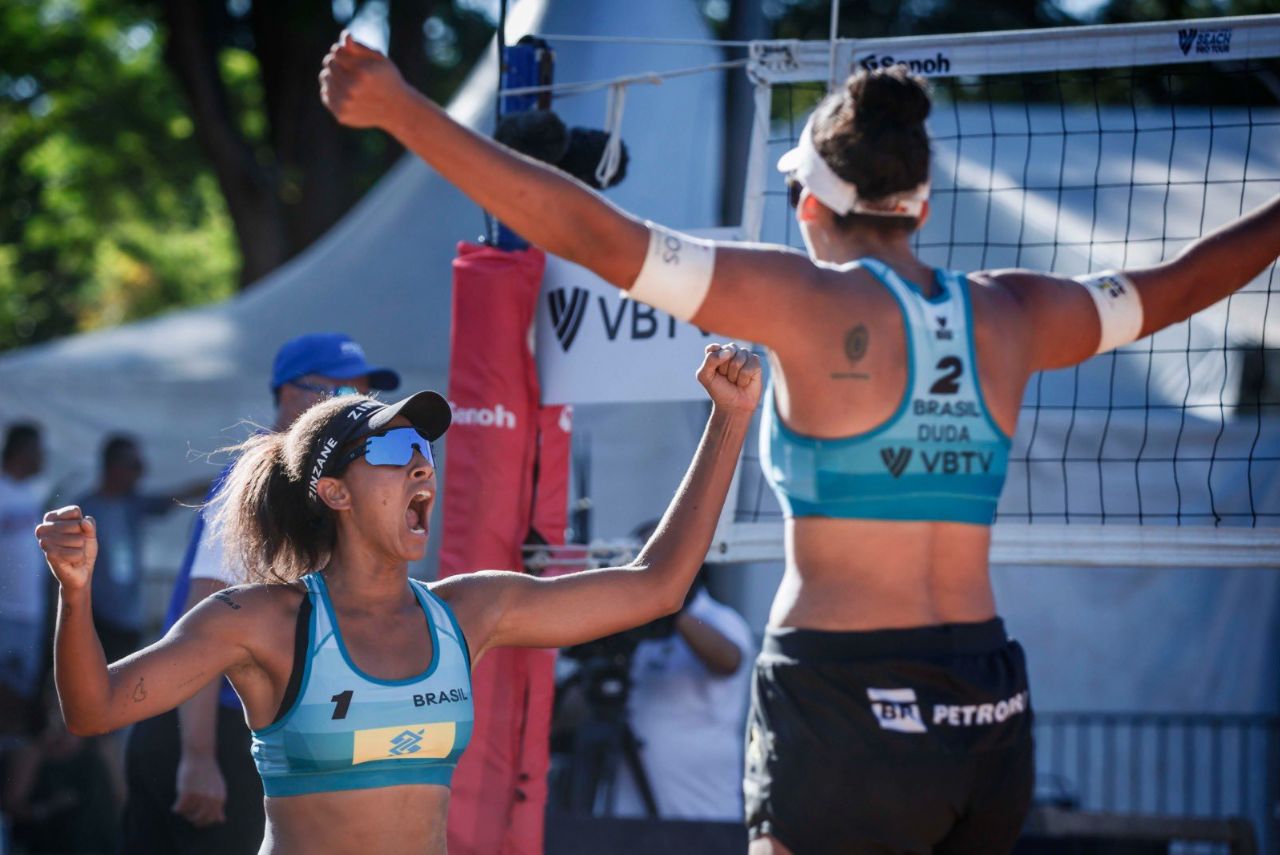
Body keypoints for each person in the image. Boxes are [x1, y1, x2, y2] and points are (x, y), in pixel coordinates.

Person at [317, 39, 1280, 854]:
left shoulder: (805, 299)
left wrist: (404, 111)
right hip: (987, 701)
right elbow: (1189, 279)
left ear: (816, 204)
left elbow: (595, 234)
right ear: (922, 205)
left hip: (845, 696)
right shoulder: (1015, 311)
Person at [37, 343, 761, 854]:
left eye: (425, 451)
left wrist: (729, 421)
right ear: (334, 491)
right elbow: (94, 706)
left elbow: (658, 586)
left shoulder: (468, 611)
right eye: (390, 452)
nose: (419, 463)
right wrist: (75, 591)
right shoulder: (261, 618)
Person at [121, 331, 400, 854]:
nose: (360, 412)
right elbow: (201, 620)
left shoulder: (307, 487)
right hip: (206, 723)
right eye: (344, 396)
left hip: (231, 722)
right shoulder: (258, 484)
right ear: (292, 395)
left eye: (368, 399)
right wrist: (198, 758)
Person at [612, 560, 753, 822]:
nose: (641, 566)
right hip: (629, 813)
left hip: (700, 812)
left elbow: (729, 661)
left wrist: (669, 605)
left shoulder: (719, 618)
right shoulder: (632, 624)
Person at [0, 422, 47, 738]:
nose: (43, 458)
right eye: (38, 450)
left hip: (30, 616)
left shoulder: (32, 496)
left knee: (19, 700)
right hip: (3, 614)